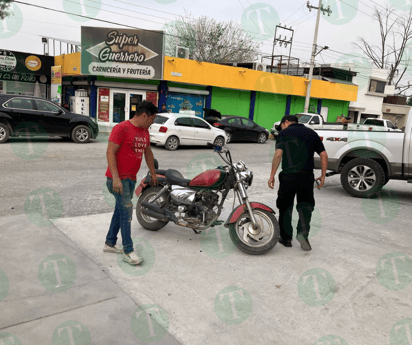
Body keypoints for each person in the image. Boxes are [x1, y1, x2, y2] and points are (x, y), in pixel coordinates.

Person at [104, 101, 159, 265]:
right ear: (144, 115)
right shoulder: (121, 128)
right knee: (127, 214)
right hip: (117, 180)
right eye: (152, 119)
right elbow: (110, 152)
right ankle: (128, 250)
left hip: (130, 179)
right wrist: (115, 178)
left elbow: (148, 152)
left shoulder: (144, 131)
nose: (152, 122)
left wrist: (153, 172)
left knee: (120, 211)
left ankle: (110, 243)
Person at [268, 115, 328, 251]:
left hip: (288, 176)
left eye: (282, 125)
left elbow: (278, 154)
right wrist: (323, 175)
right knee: (305, 206)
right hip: (307, 177)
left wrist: (272, 175)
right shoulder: (312, 133)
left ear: (286, 122)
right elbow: (323, 155)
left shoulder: (284, 133)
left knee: (285, 206)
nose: (281, 128)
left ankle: (286, 238)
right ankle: (303, 234)